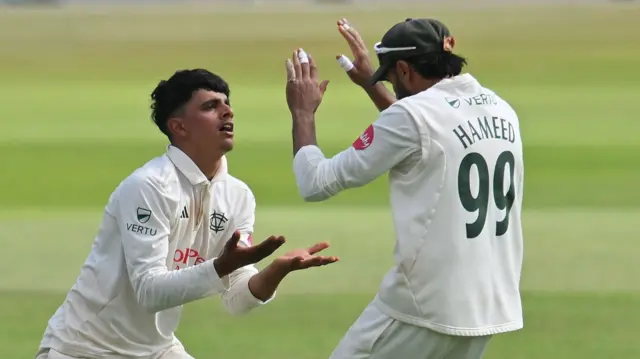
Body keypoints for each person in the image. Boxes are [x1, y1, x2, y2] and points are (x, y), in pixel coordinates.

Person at [35, 69, 339, 359]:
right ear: (178, 127)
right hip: (83, 348)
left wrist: (276, 270)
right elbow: (149, 292)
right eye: (211, 106)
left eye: (227, 104)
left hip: (154, 349)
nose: (227, 112)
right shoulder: (148, 186)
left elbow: (237, 299)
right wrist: (220, 266)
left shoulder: (237, 196)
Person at [284, 17, 524, 359]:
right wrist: (372, 84)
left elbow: (315, 183)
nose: (392, 83)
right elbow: (428, 134)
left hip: (423, 308)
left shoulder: (412, 117)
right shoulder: (501, 108)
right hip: (488, 307)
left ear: (404, 69)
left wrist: (302, 112)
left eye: (391, 77)